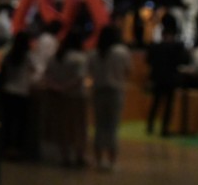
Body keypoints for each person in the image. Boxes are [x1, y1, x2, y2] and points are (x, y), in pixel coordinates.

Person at [89, 25, 132, 170]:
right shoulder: (121, 52)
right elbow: (128, 71)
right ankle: (112, 161)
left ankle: (98, 159)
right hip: (115, 92)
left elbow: (90, 72)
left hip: (98, 91)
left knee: (99, 126)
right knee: (113, 127)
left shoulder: (94, 53)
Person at [44, 31, 89, 167]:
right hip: (76, 96)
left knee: (63, 128)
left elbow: (47, 76)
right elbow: (79, 78)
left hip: (58, 97)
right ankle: (79, 156)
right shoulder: (80, 58)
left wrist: (57, 87)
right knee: (79, 127)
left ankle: (65, 157)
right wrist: (66, 87)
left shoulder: (55, 57)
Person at [0, 32, 40, 159]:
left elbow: (2, 72)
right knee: (21, 125)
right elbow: (35, 71)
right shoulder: (28, 56)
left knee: (7, 123)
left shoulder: (8, 55)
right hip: (22, 93)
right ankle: (17, 150)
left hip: (7, 92)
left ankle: (6, 149)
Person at [146, 15, 191, 137]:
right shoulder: (177, 47)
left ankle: (150, 126)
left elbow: (149, 61)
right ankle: (164, 129)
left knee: (156, 103)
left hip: (158, 78)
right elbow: (183, 60)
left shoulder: (155, 47)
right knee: (167, 106)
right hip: (171, 79)